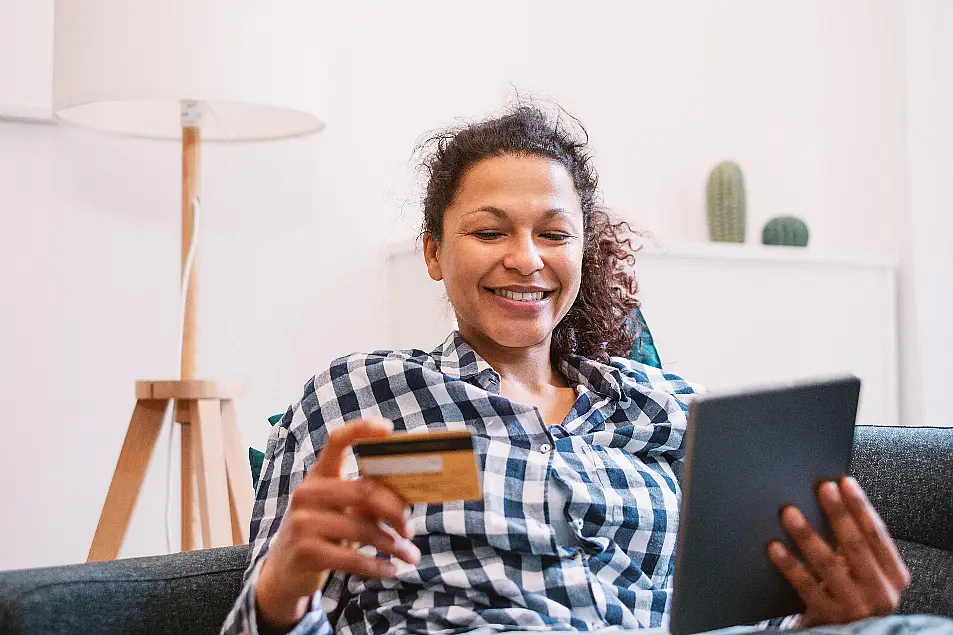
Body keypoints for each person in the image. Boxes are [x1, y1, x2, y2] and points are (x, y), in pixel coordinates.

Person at [221, 105, 918, 635]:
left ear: (581, 253)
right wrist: (284, 583)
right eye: (489, 231)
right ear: (433, 252)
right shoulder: (358, 395)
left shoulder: (673, 410)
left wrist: (829, 618)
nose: (526, 257)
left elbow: (743, 611)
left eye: (553, 234)